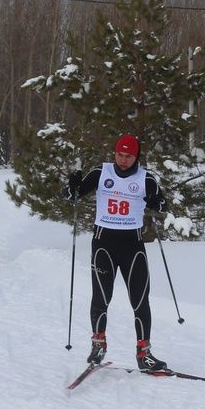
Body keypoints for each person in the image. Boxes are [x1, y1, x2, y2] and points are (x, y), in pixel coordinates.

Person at [64, 133, 170, 372]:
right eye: (120, 155)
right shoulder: (101, 173)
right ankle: (98, 344)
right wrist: (72, 186)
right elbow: (73, 196)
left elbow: (163, 205)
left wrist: (155, 202)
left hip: (133, 246)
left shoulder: (146, 179)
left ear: (137, 157)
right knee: (101, 298)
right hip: (103, 244)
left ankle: (144, 353)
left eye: (129, 156)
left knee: (140, 300)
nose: (123, 160)